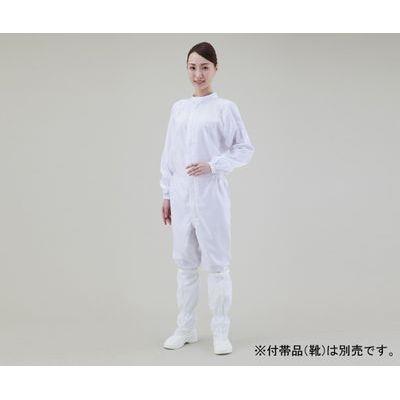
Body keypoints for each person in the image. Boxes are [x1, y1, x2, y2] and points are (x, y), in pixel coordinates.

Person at [160, 42, 254, 355]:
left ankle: (220, 332)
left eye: (204, 67)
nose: (198, 74)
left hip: (211, 195)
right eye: (192, 67)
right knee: (185, 265)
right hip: (182, 195)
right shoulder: (179, 109)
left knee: (217, 265)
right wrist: (166, 194)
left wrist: (213, 165)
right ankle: (185, 328)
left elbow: (244, 148)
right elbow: (169, 154)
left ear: (215, 69)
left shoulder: (225, 108)